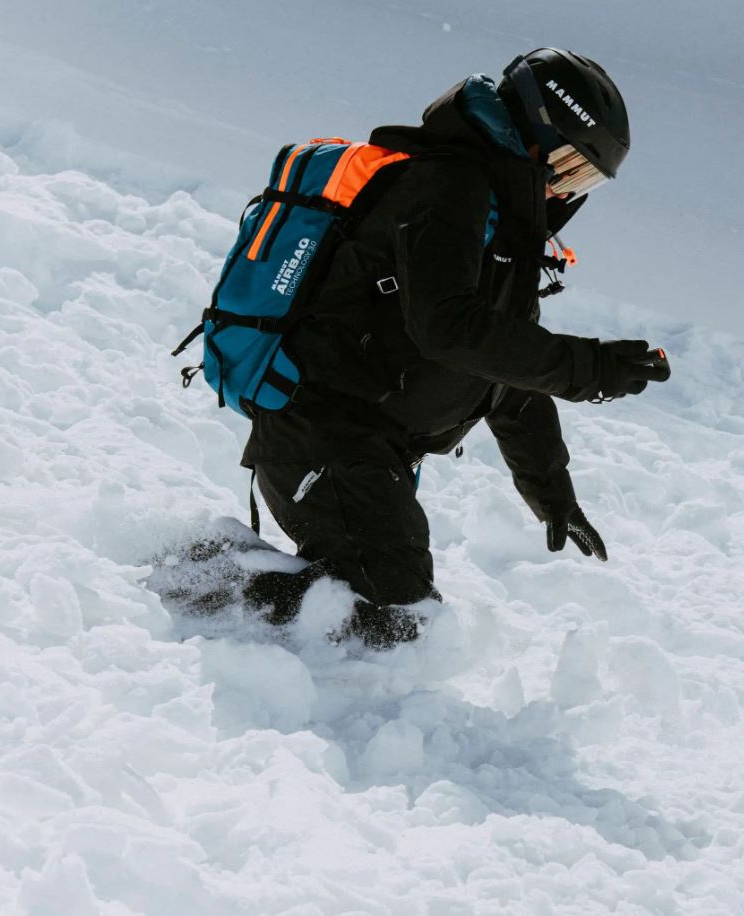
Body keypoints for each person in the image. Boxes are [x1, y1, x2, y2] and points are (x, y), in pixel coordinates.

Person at [236, 48, 670, 647]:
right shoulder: (450, 184)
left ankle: (231, 596)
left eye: (586, 179)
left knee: (389, 620)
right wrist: (589, 368)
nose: (569, 188)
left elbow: (506, 371)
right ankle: (208, 582)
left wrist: (551, 492)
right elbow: (447, 327)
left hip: (364, 452)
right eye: (571, 165)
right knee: (396, 623)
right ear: (539, 134)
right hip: (321, 436)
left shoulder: (501, 221)